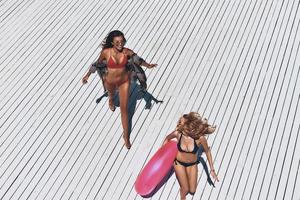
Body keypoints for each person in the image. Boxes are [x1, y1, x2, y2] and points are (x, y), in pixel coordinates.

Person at [82, 30, 157, 149]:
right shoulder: (105, 52)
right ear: (112, 42)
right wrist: (87, 76)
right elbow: (97, 64)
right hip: (110, 81)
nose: (120, 44)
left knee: (124, 110)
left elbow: (138, 60)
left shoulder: (127, 52)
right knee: (111, 96)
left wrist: (148, 65)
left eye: (122, 41)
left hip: (124, 83)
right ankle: (111, 101)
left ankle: (126, 136)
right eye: (117, 42)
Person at [163, 112, 219, 200]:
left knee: (192, 190)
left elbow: (207, 151)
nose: (179, 125)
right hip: (179, 163)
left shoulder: (199, 138)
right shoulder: (178, 133)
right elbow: (167, 138)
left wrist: (212, 170)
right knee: (185, 189)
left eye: (181, 123)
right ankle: (182, 197)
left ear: (188, 125)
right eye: (179, 123)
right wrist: (163, 155)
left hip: (192, 164)